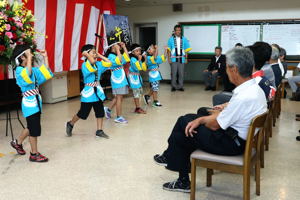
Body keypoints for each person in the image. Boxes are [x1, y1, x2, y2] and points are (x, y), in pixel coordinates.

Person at [153, 47, 267, 193]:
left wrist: (200, 121)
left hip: (230, 144)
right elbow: (233, 112)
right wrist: (221, 109)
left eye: (226, 68)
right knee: (188, 123)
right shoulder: (254, 89)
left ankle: (180, 175)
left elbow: (214, 125)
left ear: (234, 69)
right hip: (240, 139)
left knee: (184, 123)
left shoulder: (243, 96)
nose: (225, 71)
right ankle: (172, 159)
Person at [10, 44, 53, 162]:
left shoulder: (33, 70)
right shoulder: (19, 71)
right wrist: (28, 56)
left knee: (31, 126)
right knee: (34, 128)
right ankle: (34, 154)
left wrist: (46, 58)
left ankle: (17, 143)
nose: (32, 55)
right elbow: (26, 74)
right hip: (29, 103)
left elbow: (45, 73)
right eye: (29, 54)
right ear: (22, 57)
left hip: (35, 101)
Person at [66, 44, 112, 138]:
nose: (95, 53)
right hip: (89, 93)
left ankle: (99, 130)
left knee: (100, 112)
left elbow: (109, 63)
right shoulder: (85, 65)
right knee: (83, 113)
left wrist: (99, 55)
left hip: (97, 92)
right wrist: (87, 56)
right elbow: (92, 67)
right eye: (93, 52)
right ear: (86, 54)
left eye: (95, 52)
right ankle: (70, 123)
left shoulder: (98, 63)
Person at [104, 42, 130, 124]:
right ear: (113, 47)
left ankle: (108, 110)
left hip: (121, 78)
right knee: (119, 97)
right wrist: (118, 49)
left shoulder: (116, 55)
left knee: (119, 97)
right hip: (117, 79)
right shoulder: (111, 56)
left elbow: (127, 58)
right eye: (117, 45)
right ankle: (119, 117)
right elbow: (119, 60)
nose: (119, 47)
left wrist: (124, 47)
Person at [167, 25, 191, 92]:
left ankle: (180, 86)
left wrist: (186, 58)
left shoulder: (184, 39)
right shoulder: (170, 39)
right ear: (174, 31)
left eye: (179, 30)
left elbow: (186, 49)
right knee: (173, 73)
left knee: (181, 74)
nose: (178, 31)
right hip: (173, 59)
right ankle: (173, 86)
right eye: (177, 30)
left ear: (181, 31)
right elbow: (168, 50)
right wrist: (169, 59)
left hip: (182, 59)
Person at [128, 43, 147, 114]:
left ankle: (138, 107)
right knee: (136, 94)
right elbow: (137, 68)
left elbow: (143, 68)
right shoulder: (133, 59)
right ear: (133, 52)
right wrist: (139, 60)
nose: (139, 52)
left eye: (139, 51)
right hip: (134, 79)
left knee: (138, 93)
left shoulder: (135, 58)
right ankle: (137, 108)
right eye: (137, 51)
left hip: (137, 78)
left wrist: (144, 59)